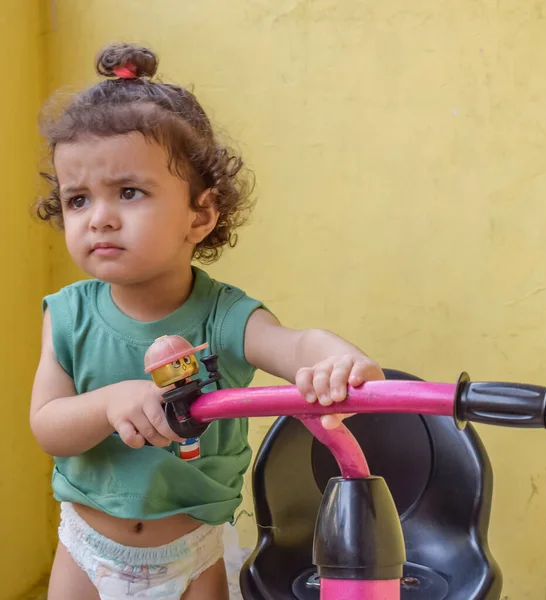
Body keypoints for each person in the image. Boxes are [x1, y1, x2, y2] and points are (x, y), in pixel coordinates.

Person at [30, 42, 384, 600]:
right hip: (85, 551)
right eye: (77, 200)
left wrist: (339, 361)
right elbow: (48, 424)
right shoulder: (68, 313)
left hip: (194, 555)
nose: (98, 218)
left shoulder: (225, 317)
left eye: (128, 192)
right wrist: (109, 401)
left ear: (201, 215)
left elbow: (295, 346)